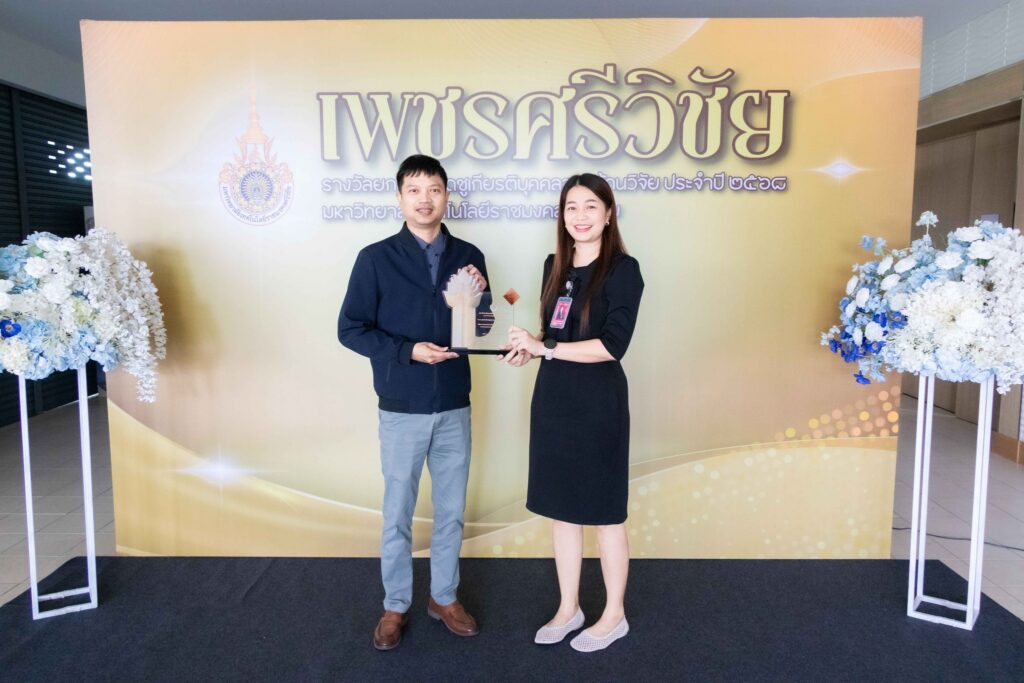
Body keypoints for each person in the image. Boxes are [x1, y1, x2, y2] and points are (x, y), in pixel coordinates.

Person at [338, 154, 488, 651]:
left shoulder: (469, 256)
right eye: (415, 190)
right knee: (398, 512)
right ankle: (395, 604)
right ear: (400, 197)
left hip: (454, 403)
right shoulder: (375, 258)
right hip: (401, 406)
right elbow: (350, 329)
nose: (426, 199)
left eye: (435, 189)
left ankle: (444, 597)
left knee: (451, 511)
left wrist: (482, 303)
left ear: (447, 196)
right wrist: (407, 351)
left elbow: (479, 330)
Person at [504, 173, 643, 653]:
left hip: (599, 404)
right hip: (554, 399)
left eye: (590, 206)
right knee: (562, 510)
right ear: (561, 215)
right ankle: (569, 608)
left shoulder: (623, 270)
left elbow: (612, 345)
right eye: (571, 207)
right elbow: (553, 334)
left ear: (609, 213)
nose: (580, 216)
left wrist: (545, 348)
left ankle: (614, 614)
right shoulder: (555, 266)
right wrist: (530, 349)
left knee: (605, 513)